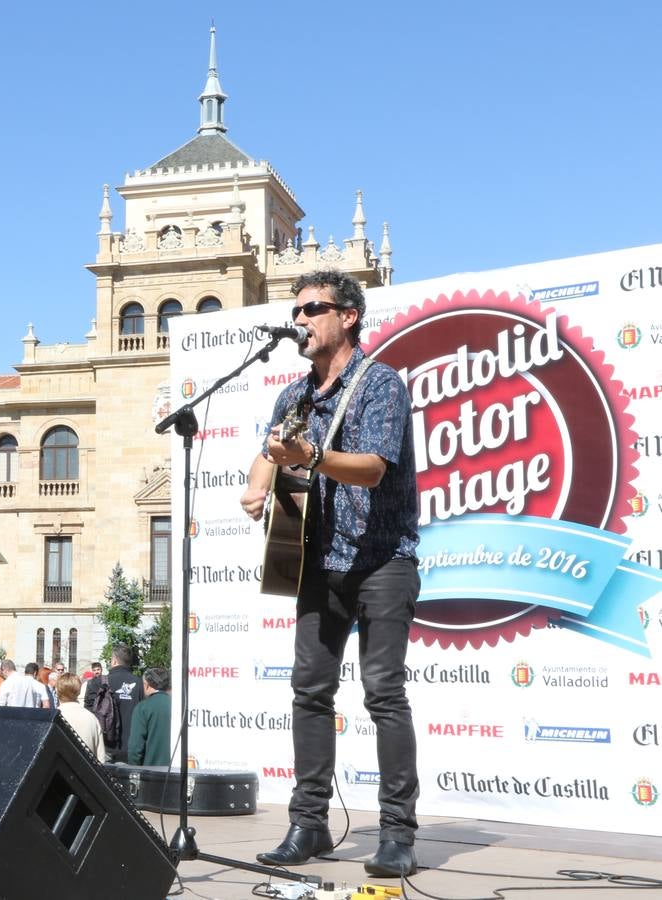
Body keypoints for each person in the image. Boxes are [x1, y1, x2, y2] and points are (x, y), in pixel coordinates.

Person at [239, 269, 421, 879]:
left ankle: (398, 833)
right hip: (317, 561)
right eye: (297, 311)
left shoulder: (380, 386)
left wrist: (311, 457)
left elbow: (370, 468)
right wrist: (257, 485)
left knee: (384, 694)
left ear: (347, 316)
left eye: (313, 308)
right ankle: (309, 824)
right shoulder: (293, 396)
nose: (301, 319)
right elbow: (270, 451)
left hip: (382, 560)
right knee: (310, 692)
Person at [85, 643, 143, 762]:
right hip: (131, 749)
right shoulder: (140, 684)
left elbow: (89, 715)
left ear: (114, 661)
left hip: (105, 748)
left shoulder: (97, 683)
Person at [55, 673, 105, 763]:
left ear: (57, 690)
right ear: (79, 691)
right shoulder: (92, 718)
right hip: (86, 773)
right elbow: (101, 759)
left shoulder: (52, 719)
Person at [127, 667, 172, 766]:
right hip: (177, 772)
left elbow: (135, 748)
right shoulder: (178, 706)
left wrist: (134, 770)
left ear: (146, 685)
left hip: (151, 773)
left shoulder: (142, 708)